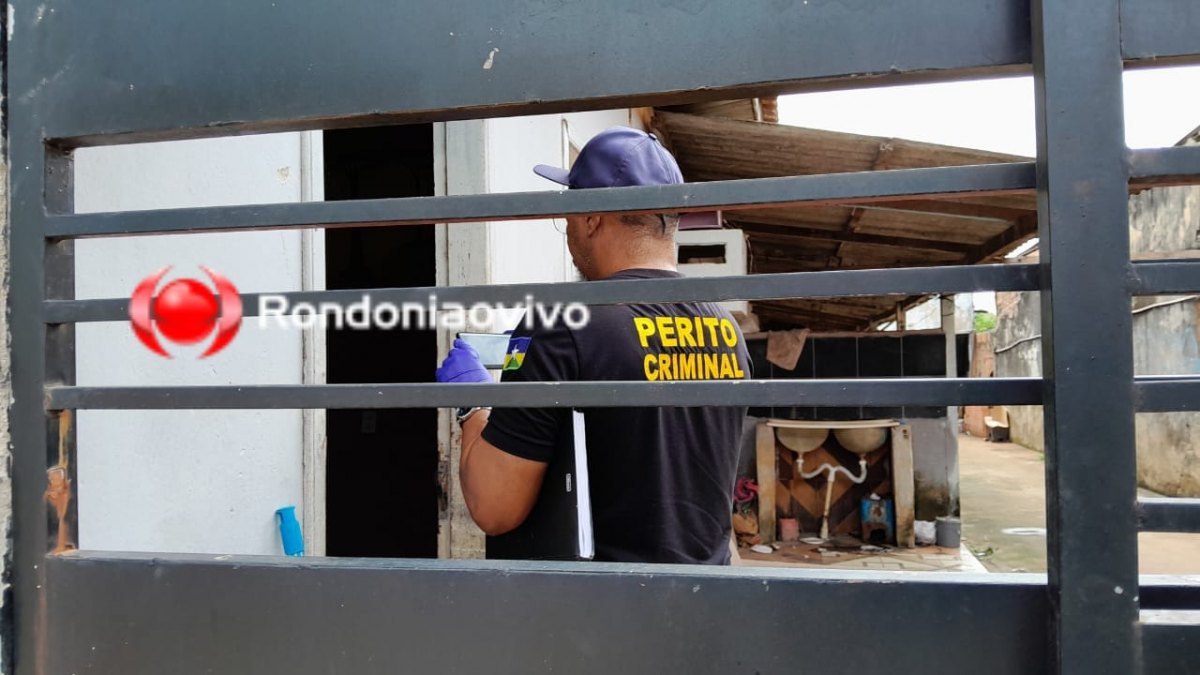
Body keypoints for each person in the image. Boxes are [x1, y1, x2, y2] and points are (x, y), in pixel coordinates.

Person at [435, 126, 750, 564]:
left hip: (601, 601)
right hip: (704, 593)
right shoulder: (725, 328)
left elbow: (495, 507)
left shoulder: (564, 324)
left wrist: (473, 407)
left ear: (590, 218)